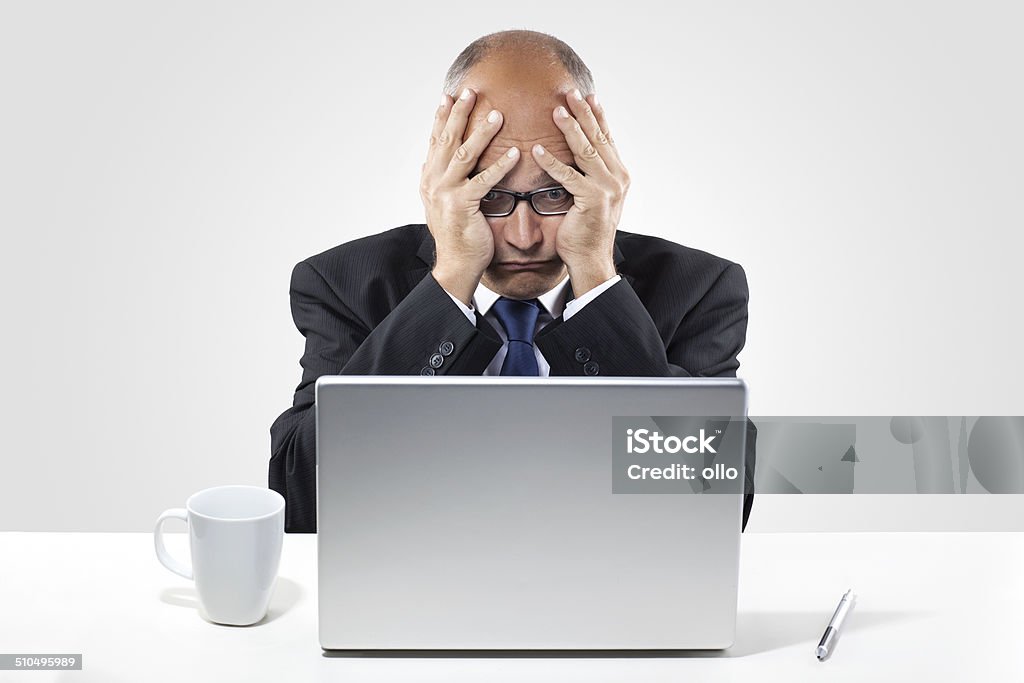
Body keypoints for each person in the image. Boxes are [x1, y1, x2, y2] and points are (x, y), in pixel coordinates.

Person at [269, 29, 756, 534]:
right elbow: (302, 502)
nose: (524, 238)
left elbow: (716, 504)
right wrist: (452, 276)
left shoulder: (701, 289)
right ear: (444, 181)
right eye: (492, 197)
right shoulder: (341, 286)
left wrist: (595, 274)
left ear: (599, 176)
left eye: (553, 194)